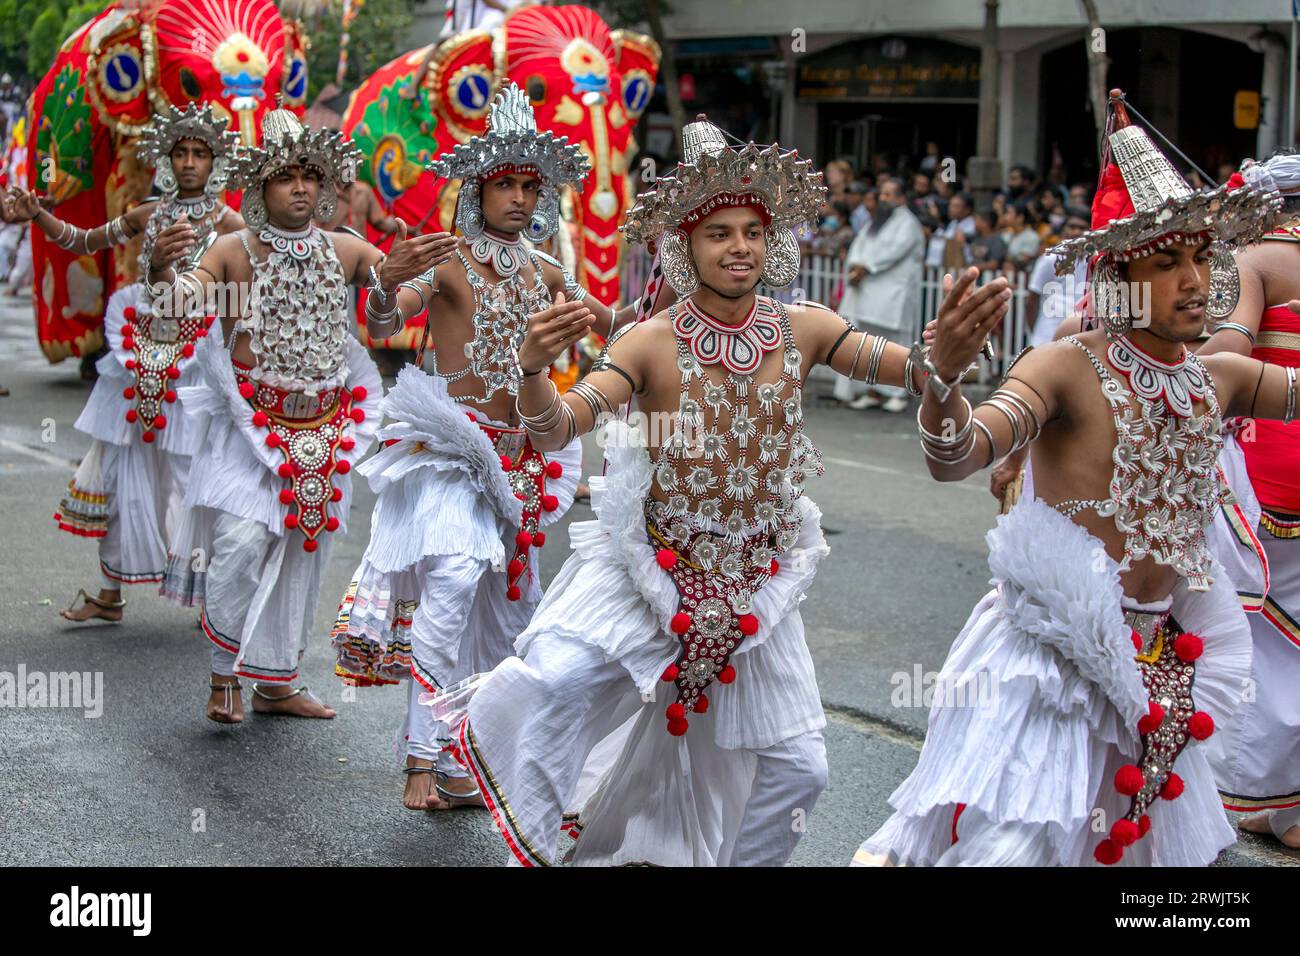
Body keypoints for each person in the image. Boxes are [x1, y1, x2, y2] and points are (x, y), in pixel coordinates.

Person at [423, 114, 1009, 866]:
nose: (740, 248)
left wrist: (945, 362)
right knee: (559, 682)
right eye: (719, 233)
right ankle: (536, 845)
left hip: (757, 585)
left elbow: (911, 373)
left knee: (801, 770)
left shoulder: (807, 327)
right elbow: (555, 430)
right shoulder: (648, 339)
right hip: (650, 570)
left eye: (753, 232)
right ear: (683, 248)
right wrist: (534, 368)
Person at [855, 90, 1290, 867]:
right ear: (1119, 274)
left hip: (1163, 653)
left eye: (1201, 257)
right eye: (1167, 262)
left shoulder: (1219, 376)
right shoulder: (1065, 364)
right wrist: (943, 380)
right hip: (1044, 658)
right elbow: (955, 455)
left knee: (1134, 851)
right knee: (1019, 847)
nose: (1195, 279)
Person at [330, 83, 642, 811]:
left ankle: (467, 760)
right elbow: (381, 323)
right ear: (476, 190)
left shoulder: (546, 273)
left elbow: (625, 330)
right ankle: (418, 756)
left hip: (524, 460)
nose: (520, 199)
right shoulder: (448, 262)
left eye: (531, 187)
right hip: (451, 451)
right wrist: (384, 279)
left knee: (512, 617)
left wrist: (677, 280)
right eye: (505, 184)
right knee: (450, 589)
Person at [155, 106, 457, 724]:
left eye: (310, 177)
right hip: (251, 424)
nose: (300, 188)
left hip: (325, 426)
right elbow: (182, 303)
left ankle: (276, 680)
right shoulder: (232, 250)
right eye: (286, 177)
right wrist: (161, 267)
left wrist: (390, 278)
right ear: (261, 187)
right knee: (240, 544)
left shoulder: (346, 248)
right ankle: (223, 676)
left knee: (303, 550)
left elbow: (385, 315)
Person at [9, 105, 245, 623]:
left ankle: (211, 600)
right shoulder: (148, 212)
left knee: (192, 478)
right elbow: (82, 240)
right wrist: (37, 215)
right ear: (166, 160)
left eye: (199, 154)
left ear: (214, 162)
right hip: (138, 354)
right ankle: (111, 592)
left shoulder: (231, 225)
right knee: (121, 470)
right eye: (180, 152)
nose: (188, 163)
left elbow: (246, 291)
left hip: (196, 364)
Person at [1198, 149, 1300, 849]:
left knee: (1250, 639)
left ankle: (1234, 798)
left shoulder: (1254, 261)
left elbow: (1217, 364)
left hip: (1264, 475)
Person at [836, 177, 925, 412]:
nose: (883, 198)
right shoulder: (876, 222)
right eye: (882, 193)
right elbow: (859, 246)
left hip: (895, 295)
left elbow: (894, 252)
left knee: (900, 343)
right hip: (871, 294)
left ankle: (900, 393)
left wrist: (866, 268)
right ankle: (873, 391)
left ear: (901, 198)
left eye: (888, 194)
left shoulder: (908, 224)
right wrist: (856, 265)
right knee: (873, 344)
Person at [1025, 205, 1090, 347]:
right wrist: (1036, 331)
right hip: (1046, 337)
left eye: (1082, 228)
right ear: (1064, 230)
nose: (1076, 232)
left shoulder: (1093, 261)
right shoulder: (1050, 259)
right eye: (1072, 227)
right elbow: (1032, 300)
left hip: (1078, 341)